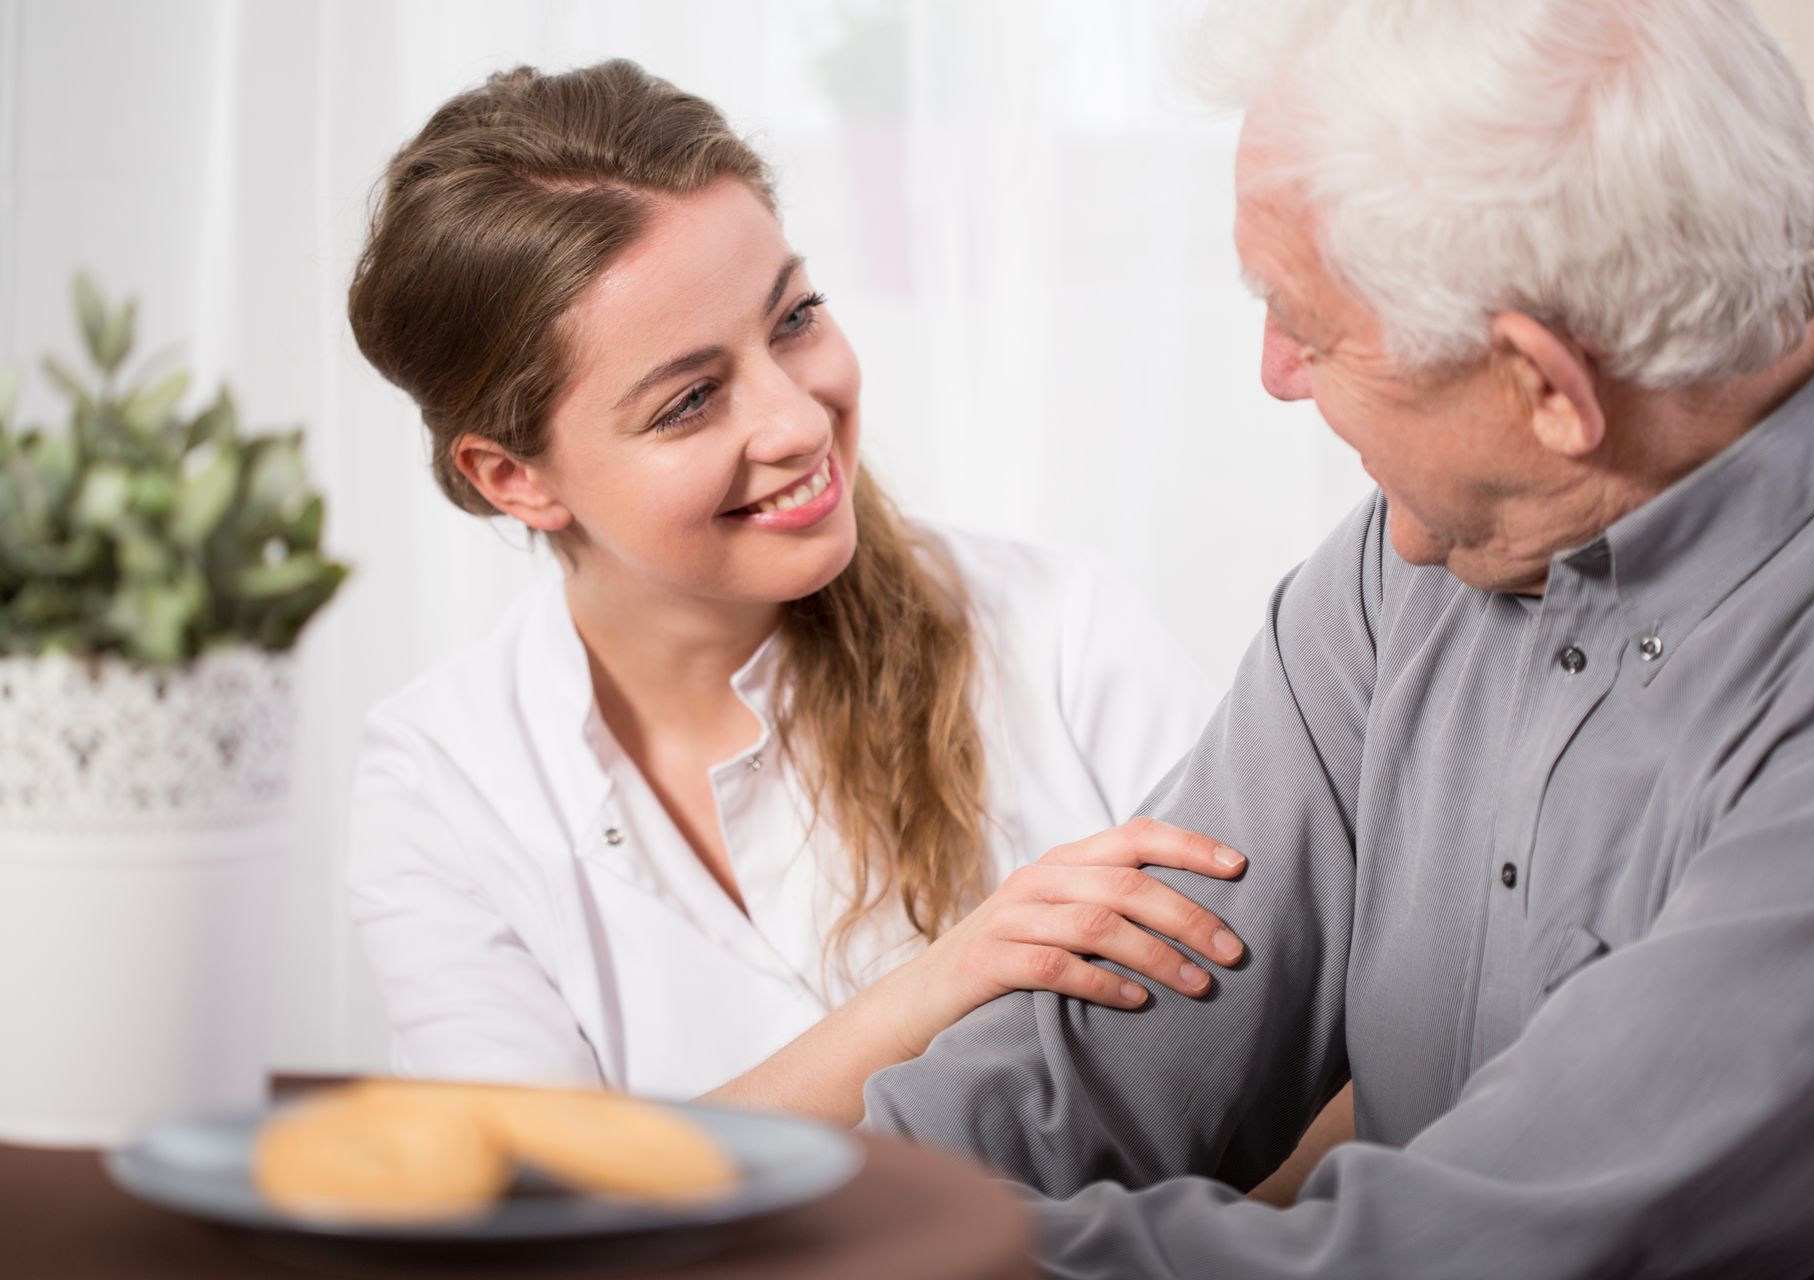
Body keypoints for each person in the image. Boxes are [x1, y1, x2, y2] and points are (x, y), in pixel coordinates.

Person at [861, 0, 1814, 1275]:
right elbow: (1105, 1039)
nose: (1274, 373)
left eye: (1306, 325)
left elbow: (1472, 1252)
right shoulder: (1411, 559)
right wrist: (822, 1210)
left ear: (1546, 387)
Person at [341, 59, 1249, 1123]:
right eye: (689, 400)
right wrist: (947, 983)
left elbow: (1297, 1074)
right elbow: (535, 1206)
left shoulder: (1057, 630)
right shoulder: (440, 784)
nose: (801, 422)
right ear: (514, 476)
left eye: (794, 317)